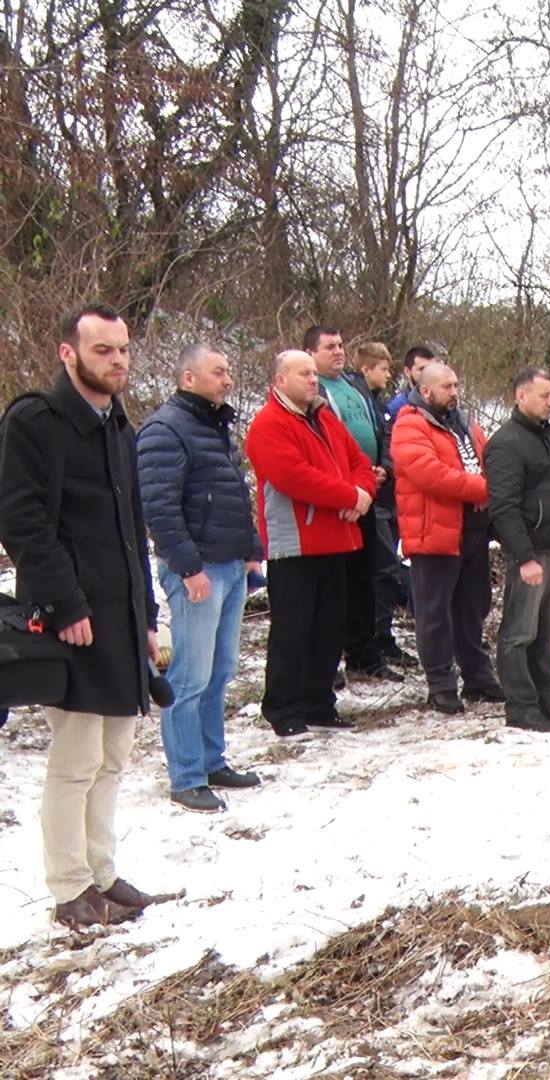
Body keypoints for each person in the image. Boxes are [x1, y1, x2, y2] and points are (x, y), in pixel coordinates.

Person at [0, 304, 167, 929]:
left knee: (113, 758)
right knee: (75, 760)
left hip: (120, 618)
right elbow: (21, 521)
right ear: (68, 353)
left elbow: (132, 530)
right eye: (103, 350)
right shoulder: (34, 422)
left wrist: (147, 616)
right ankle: (70, 886)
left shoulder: (119, 426)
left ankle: (101, 873)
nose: (117, 360)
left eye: (123, 349)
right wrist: (65, 603)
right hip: (70, 617)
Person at [135, 344, 264, 813]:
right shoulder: (165, 429)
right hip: (198, 571)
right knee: (189, 676)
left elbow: (234, 492)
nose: (228, 379)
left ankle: (212, 760)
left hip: (229, 567)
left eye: (229, 371)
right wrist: (188, 567)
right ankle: (186, 775)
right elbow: (159, 507)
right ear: (188, 378)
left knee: (221, 670)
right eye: (219, 372)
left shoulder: (214, 425)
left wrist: (251, 551)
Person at [247, 349, 375, 739]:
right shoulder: (269, 423)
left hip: (337, 536)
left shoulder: (325, 418)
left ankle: (319, 702)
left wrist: (362, 493)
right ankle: (283, 707)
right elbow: (294, 477)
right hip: (295, 542)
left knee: (329, 628)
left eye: (313, 373)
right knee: (292, 629)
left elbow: (360, 462)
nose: (312, 378)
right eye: (303, 373)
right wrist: (350, 497)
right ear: (280, 380)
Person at [391, 362, 505, 715]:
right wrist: (483, 489)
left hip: (472, 528)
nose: (454, 392)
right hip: (434, 532)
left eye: (456, 385)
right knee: (435, 612)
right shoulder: (410, 424)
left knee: (472, 606)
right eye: (447, 387)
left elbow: (489, 461)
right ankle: (441, 684)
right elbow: (430, 473)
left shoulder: (466, 423)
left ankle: (478, 676)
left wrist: (498, 489)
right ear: (426, 391)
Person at [485, 367, 550, 732]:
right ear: (521, 395)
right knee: (519, 633)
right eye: (544, 395)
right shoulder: (506, 442)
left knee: (545, 632)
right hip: (533, 552)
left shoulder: (549, 437)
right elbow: (504, 507)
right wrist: (524, 556)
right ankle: (521, 705)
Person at [306, 326, 403, 682]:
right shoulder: (313, 391)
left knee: (368, 578)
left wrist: (382, 469)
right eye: (329, 347)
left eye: (341, 345)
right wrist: (348, 482)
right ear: (310, 352)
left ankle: (365, 654)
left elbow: (381, 430)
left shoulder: (355, 386)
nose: (338, 352)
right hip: (336, 500)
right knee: (334, 586)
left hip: (368, 492)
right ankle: (327, 662)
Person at [351, 340, 414, 663]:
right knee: (383, 567)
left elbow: (387, 440)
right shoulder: (362, 402)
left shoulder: (376, 403)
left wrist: (386, 468)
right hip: (371, 497)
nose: (387, 375)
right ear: (366, 369)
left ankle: (381, 638)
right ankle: (370, 641)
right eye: (383, 369)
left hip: (384, 493)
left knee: (386, 569)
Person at [386, 344, 439, 422]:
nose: (428, 374)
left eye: (432, 369)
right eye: (422, 369)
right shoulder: (397, 408)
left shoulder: (442, 403)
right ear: (407, 372)